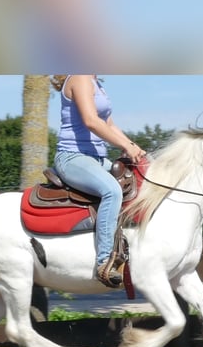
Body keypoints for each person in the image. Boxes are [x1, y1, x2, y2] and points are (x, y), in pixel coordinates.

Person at [51, 75, 146, 288]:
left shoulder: (97, 84)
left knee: (137, 180)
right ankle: (105, 262)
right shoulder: (80, 78)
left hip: (96, 159)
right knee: (112, 191)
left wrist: (131, 145)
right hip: (72, 157)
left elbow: (108, 124)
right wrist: (126, 147)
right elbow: (91, 121)